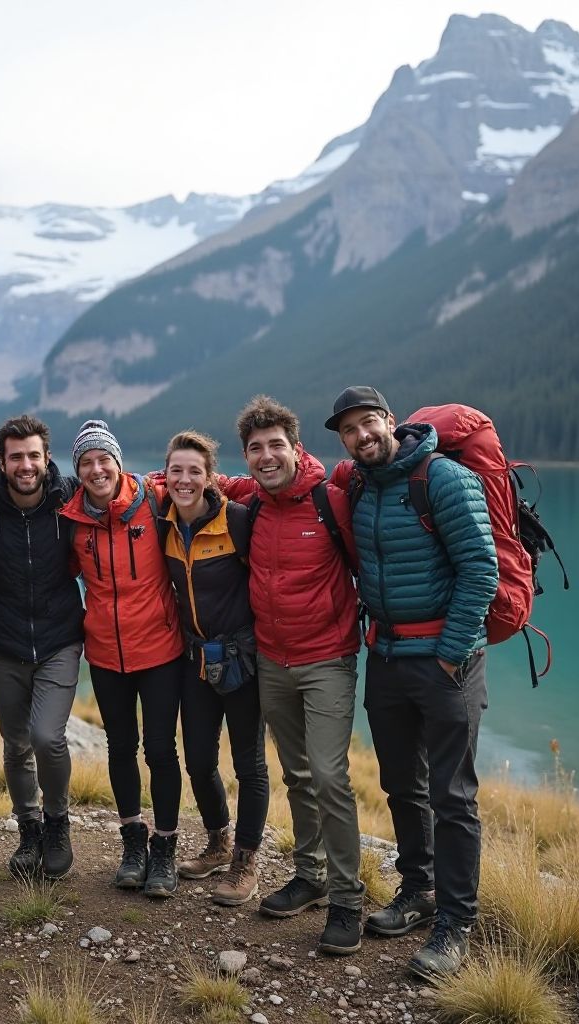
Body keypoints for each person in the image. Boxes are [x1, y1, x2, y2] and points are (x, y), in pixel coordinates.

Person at [326, 385, 497, 980]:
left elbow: (482, 568)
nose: (362, 436)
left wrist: (451, 654)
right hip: (389, 658)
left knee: (453, 797)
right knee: (403, 784)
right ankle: (418, 890)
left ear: (390, 421)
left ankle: (456, 924)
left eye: (369, 422)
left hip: (446, 661)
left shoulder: (441, 478)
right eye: (349, 430)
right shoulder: (359, 486)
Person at [220, 396, 364, 954]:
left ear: (296, 448)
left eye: (276, 444)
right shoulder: (252, 504)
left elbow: (361, 563)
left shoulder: (330, 503)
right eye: (255, 448)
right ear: (247, 458)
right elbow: (198, 481)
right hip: (271, 661)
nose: (266, 455)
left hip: (327, 657)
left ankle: (348, 900)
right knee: (297, 775)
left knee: (330, 776)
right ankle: (310, 876)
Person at [0, 415, 83, 879]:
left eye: (33, 456)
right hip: (4, 643)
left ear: (47, 458)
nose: (25, 465)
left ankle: (57, 823)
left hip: (59, 640)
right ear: (1, 461)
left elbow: (120, 487)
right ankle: (28, 828)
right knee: (15, 744)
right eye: (16, 457)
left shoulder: (69, 495)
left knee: (48, 737)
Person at [61, 419, 185, 898]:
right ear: (78, 470)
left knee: (159, 749)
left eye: (103, 460)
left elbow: (205, 485)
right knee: (119, 747)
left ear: (118, 463)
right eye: (87, 463)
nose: (97, 470)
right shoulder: (72, 521)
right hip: (106, 653)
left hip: (159, 649)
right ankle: (133, 842)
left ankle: (166, 847)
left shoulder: (153, 500)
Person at [156, 430, 269, 906]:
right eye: (176, 470)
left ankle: (246, 860)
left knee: (249, 764)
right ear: (167, 475)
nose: (185, 480)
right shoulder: (160, 522)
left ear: (209, 477)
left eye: (194, 471)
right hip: (196, 658)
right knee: (199, 759)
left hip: (243, 659)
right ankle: (219, 841)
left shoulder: (237, 521)